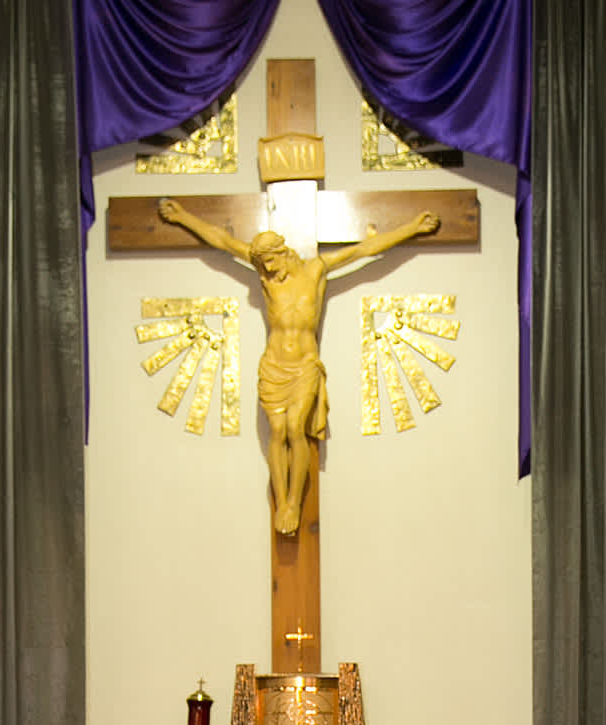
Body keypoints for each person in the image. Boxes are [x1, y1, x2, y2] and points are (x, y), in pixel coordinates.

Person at [156, 196, 441, 535]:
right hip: (274, 364)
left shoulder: (316, 269)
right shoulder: (266, 277)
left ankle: (294, 501)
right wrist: (183, 217)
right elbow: (224, 242)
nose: (267, 270)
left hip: (304, 365)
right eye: (261, 264)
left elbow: (363, 250)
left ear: (283, 252)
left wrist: (412, 228)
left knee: (295, 428)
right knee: (277, 432)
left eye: (270, 262)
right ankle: (282, 503)